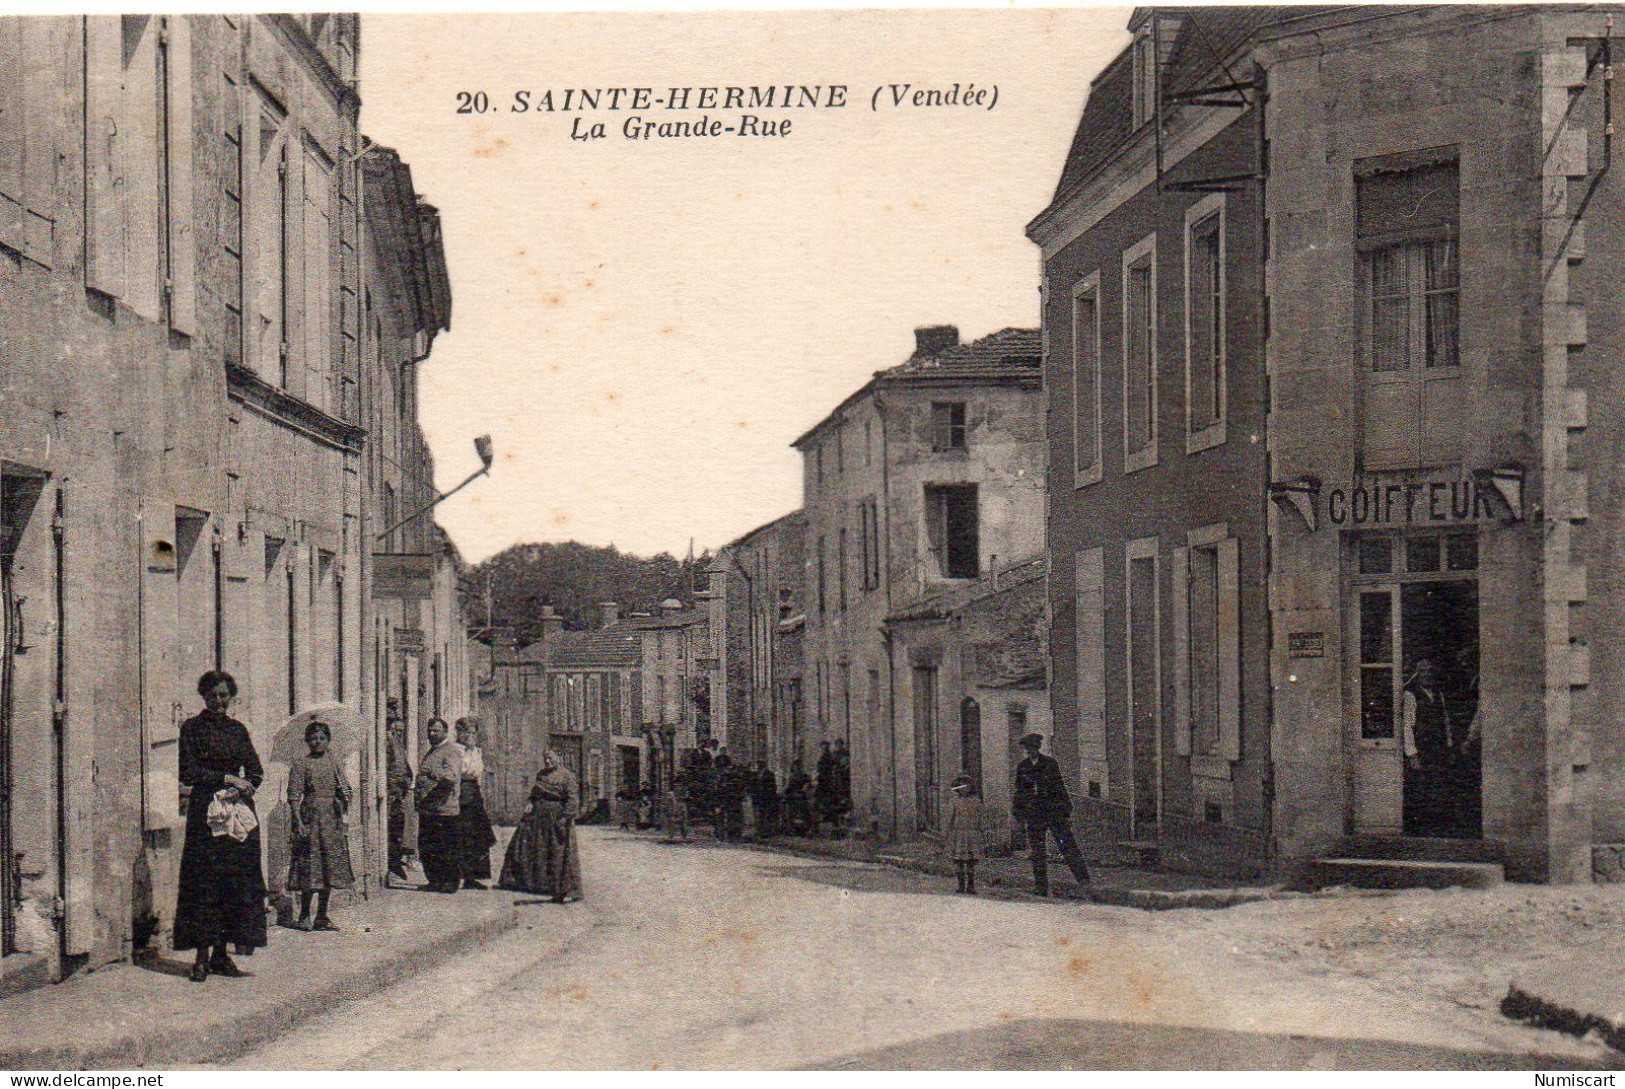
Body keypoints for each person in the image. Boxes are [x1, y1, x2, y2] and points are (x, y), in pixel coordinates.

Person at [174, 670, 267, 982]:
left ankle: (221, 956)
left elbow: (255, 771)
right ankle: (200, 956)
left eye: (224, 695)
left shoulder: (238, 731)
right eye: (212, 695)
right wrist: (225, 778)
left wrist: (247, 786)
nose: (218, 701)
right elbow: (188, 772)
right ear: (203, 696)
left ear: (231, 697)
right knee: (205, 882)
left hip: (237, 813)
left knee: (234, 883)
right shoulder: (192, 729)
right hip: (206, 814)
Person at [286, 720, 354, 931]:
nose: (317, 742)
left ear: (328, 740)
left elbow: (347, 792)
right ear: (307, 741)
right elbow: (294, 795)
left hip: (331, 821)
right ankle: (305, 915)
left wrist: (344, 795)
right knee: (310, 866)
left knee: (329, 868)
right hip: (311, 819)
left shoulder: (335, 762)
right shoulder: (301, 763)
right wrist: (298, 823)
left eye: (322, 738)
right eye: (313, 738)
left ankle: (322, 916)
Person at [499, 749, 583, 903]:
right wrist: (530, 803)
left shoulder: (567, 776)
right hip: (537, 816)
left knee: (556, 851)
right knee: (525, 845)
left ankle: (560, 889)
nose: (547, 762)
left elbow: (573, 800)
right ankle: (530, 884)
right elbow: (534, 793)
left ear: (559, 757)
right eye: (545, 758)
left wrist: (564, 818)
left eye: (550, 758)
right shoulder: (541, 774)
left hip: (555, 816)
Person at [1013, 732, 1091, 896]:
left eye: (1035, 747)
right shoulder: (1023, 767)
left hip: (1054, 812)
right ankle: (1041, 887)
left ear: (1038, 747)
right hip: (1034, 814)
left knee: (1067, 845)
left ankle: (1084, 881)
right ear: (1026, 749)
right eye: (1029, 748)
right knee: (1037, 851)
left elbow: (1059, 786)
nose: (1032, 750)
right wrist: (1019, 816)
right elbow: (1019, 792)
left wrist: (1066, 810)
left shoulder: (1050, 764)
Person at [1402, 658, 1459, 838]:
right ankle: (1420, 829)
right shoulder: (1410, 695)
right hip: (1422, 749)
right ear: (1417, 674)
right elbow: (1407, 725)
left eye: (1430, 671)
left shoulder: (1438, 694)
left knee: (1439, 785)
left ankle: (1438, 827)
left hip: (1439, 748)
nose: (1427, 674)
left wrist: (1449, 745)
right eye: (1423, 671)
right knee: (1421, 787)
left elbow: (1446, 721)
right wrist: (1412, 754)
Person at [414, 718, 463, 893]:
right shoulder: (433, 751)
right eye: (430, 730)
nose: (431, 733)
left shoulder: (450, 751)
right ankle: (434, 881)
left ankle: (449, 882)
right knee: (429, 847)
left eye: (436, 730)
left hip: (444, 810)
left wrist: (433, 777)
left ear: (445, 732)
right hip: (429, 809)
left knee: (446, 847)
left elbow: (450, 777)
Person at [453, 718, 498, 889]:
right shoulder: (456, 750)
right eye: (467, 732)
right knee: (462, 835)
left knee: (478, 836)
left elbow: (478, 775)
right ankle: (458, 875)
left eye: (473, 733)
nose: (470, 736)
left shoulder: (476, 751)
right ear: (459, 732)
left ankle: (473, 877)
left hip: (474, 796)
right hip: (461, 794)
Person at [384, 716, 414, 886]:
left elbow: (404, 766)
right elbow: (389, 768)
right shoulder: (387, 742)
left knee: (399, 826)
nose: (398, 733)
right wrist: (394, 786)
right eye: (396, 729)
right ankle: (393, 861)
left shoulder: (398, 743)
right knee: (393, 827)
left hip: (399, 792)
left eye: (402, 731)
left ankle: (396, 859)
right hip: (392, 793)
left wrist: (407, 780)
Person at [944, 773, 985, 895]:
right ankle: (961, 884)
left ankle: (971, 885)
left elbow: (981, 817)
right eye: (961, 786)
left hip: (972, 833)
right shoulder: (954, 801)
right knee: (959, 860)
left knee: (971, 860)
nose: (964, 789)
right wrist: (947, 833)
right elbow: (949, 818)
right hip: (959, 832)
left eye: (967, 786)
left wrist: (981, 830)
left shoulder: (976, 801)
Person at [751, 762, 780, 838]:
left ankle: (766, 832)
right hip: (759, 798)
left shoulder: (769, 774)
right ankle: (761, 831)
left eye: (760, 765)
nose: (759, 766)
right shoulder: (757, 774)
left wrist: (767, 792)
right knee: (761, 814)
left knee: (766, 815)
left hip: (767, 798)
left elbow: (772, 787)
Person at [814, 741, 837, 836]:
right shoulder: (831, 758)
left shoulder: (825, 759)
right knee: (827, 807)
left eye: (824, 748)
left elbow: (822, 772)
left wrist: (817, 778)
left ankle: (823, 830)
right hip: (828, 785)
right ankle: (827, 830)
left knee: (821, 806)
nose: (823, 750)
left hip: (825, 785)